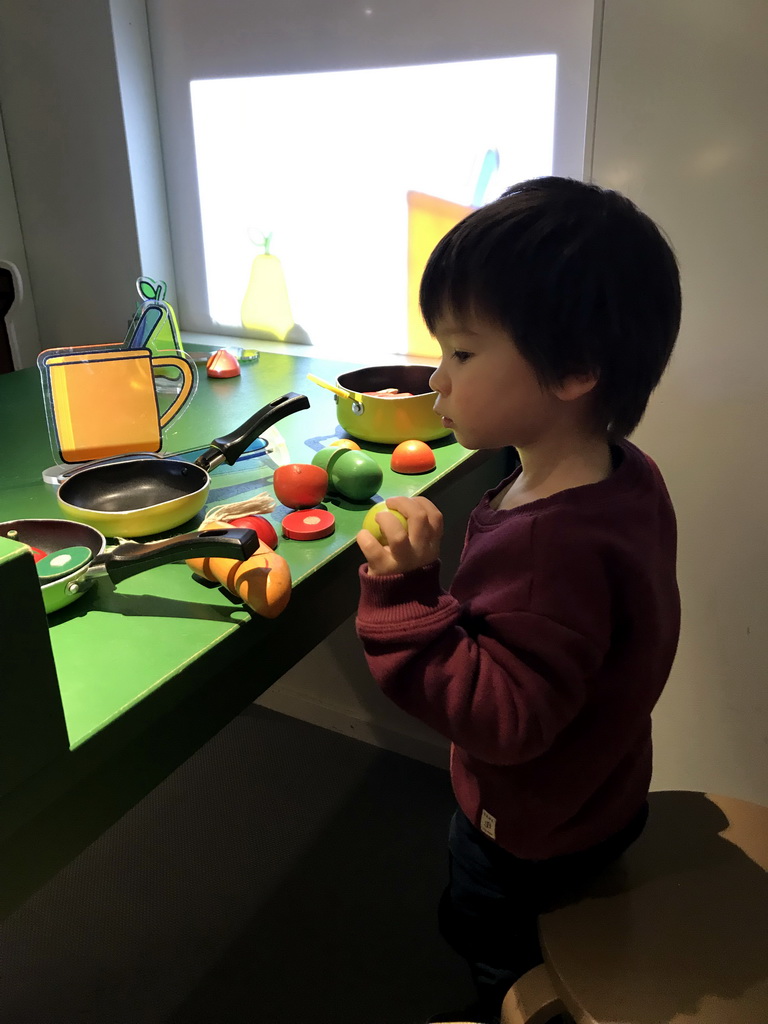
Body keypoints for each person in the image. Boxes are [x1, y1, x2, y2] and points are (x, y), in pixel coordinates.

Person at [354, 176, 682, 1024]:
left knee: (505, 961)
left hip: (526, 841)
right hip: (602, 792)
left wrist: (402, 597)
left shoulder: (550, 551)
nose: (438, 378)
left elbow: (502, 717)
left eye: (462, 354)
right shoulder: (624, 476)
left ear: (574, 370)